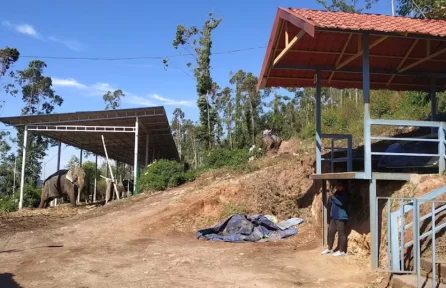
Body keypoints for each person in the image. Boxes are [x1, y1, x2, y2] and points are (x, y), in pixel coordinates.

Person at [321, 180, 349, 257]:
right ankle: (329, 249)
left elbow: (341, 203)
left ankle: (342, 251)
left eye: (340, 185)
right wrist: (331, 197)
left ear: (343, 186)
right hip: (334, 217)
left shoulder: (345, 194)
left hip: (341, 217)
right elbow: (331, 202)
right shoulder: (336, 193)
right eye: (338, 185)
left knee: (341, 233)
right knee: (330, 232)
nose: (338, 187)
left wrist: (332, 197)